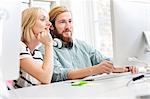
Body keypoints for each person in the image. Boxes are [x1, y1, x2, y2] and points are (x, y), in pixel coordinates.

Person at [40, 6, 137, 82]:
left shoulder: (82, 45)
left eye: (70, 21)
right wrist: (95, 69)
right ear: (51, 27)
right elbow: (58, 75)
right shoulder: (46, 48)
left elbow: (104, 60)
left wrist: (125, 64)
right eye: (62, 22)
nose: (68, 26)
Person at [12, 7, 53, 89]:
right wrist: (49, 44)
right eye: (42, 19)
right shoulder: (18, 47)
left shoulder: (36, 53)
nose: (49, 24)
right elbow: (45, 78)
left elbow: (44, 82)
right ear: (28, 24)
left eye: (48, 20)